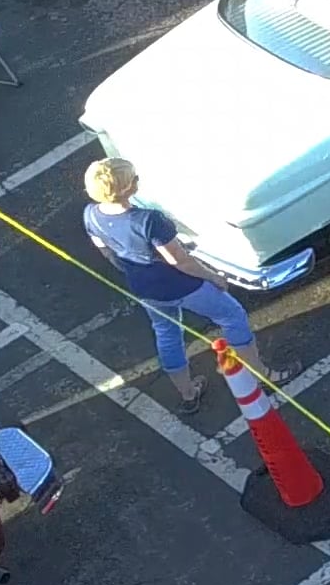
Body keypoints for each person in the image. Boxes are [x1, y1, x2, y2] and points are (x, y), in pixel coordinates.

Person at [80, 156, 245, 407]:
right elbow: (179, 260)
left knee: (167, 334)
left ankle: (188, 394)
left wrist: (132, 270)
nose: (137, 180)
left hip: (145, 289)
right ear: (127, 189)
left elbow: (106, 251)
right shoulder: (149, 220)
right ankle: (256, 375)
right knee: (231, 315)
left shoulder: (91, 215)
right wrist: (214, 277)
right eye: (134, 178)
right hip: (180, 284)